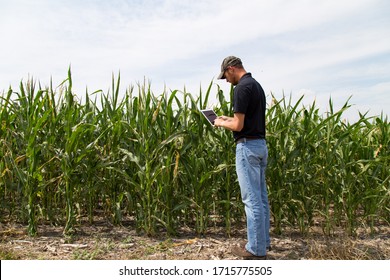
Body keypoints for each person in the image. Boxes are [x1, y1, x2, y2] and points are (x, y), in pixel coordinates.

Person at [214, 56, 271, 260]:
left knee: (251, 199)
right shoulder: (256, 86)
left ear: (231, 69)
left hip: (247, 147)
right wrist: (225, 118)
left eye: (226, 76)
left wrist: (219, 124)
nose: (227, 81)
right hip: (260, 145)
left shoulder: (240, 89)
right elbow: (245, 120)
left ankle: (255, 250)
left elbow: (238, 127)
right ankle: (264, 243)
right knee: (262, 198)